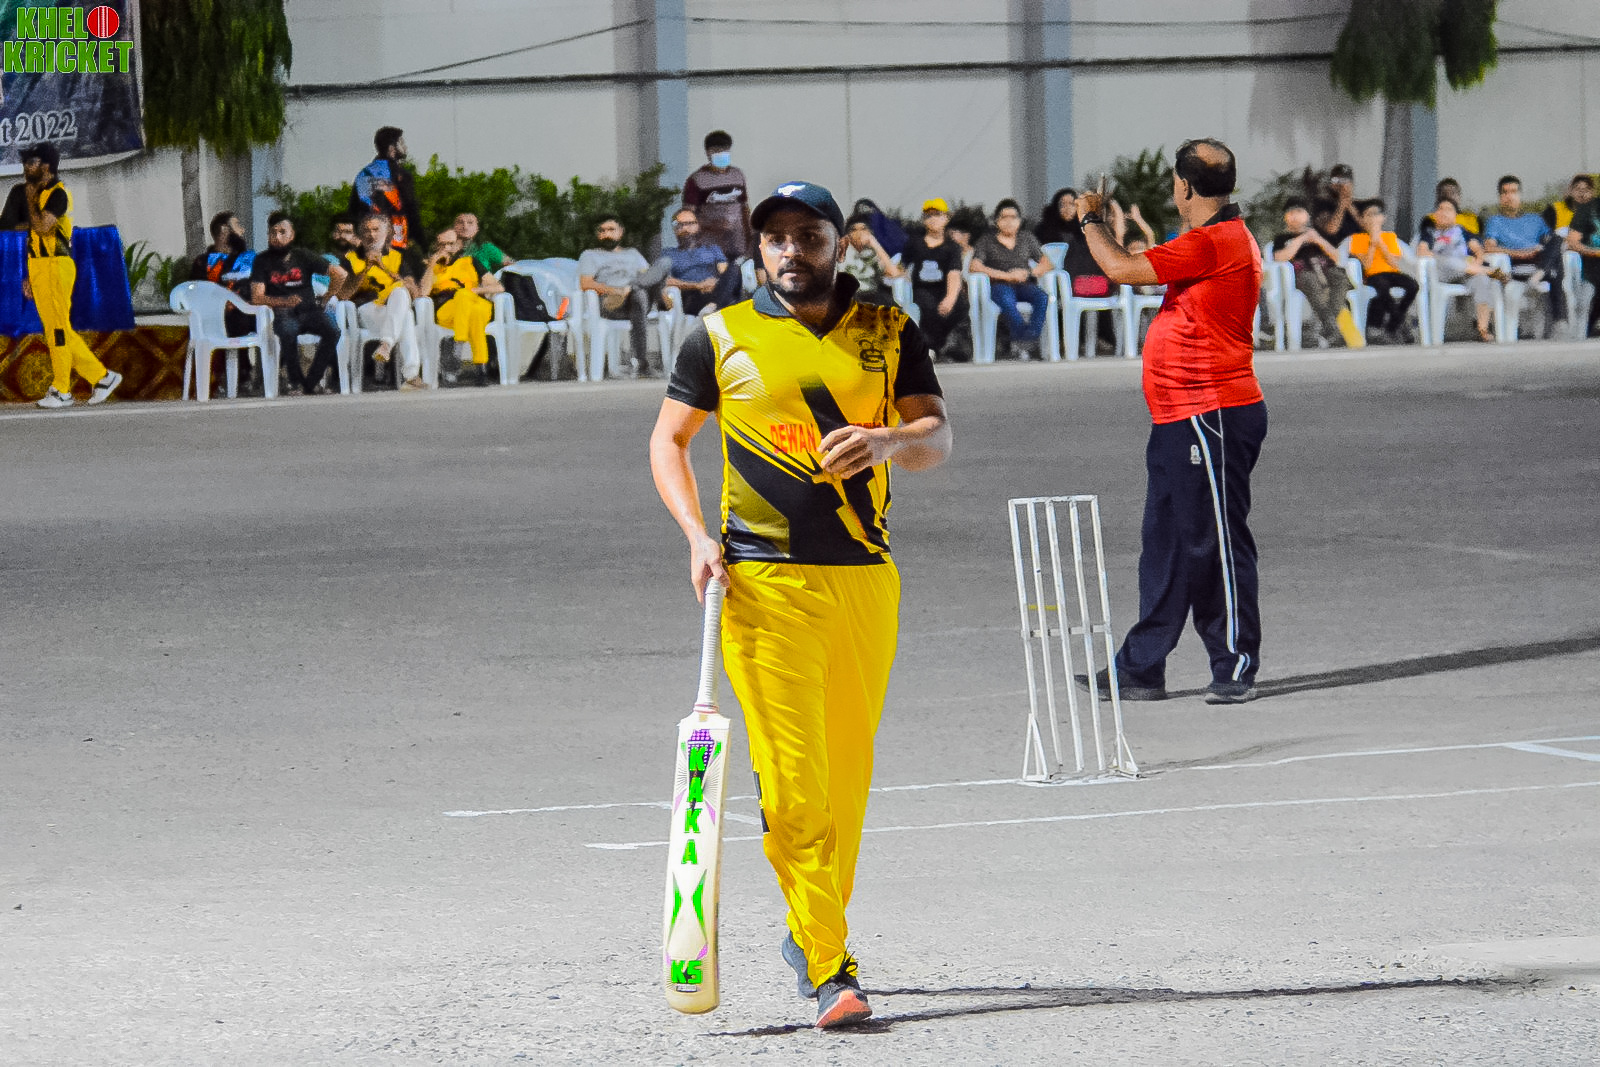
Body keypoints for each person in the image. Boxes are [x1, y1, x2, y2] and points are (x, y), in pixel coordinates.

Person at [649, 179, 950, 1030]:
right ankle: (829, 965)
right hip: (762, 585)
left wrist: (888, 440)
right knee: (793, 786)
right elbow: (669, 439)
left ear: (838, 244)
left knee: (845, 786)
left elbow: (936, 435)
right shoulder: (720, 334)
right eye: (775, 237)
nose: (790, 250)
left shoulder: (889, 330)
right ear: (759, 247)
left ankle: (810, 928)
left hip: (865, 580)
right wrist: (696, 535)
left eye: (807, 235)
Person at [1072, 137, 1266, 705]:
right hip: (1181, 415)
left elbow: (1121, 268)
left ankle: (1234, 663)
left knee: (1215, 543)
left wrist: (1090, 218)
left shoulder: (1215, 241)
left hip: (1212, 413)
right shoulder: (1211, 238)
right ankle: (1141, 666)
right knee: (1167, 545)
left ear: (1184, 186)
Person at [13, 143, 123, 409]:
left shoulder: (58, 194)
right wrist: (28, 274)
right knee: (56, 328)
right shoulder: (38, 194)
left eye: (32, 162)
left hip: (56, 265)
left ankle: (62, 389)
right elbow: (32, 237)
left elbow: (42, 227)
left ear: (46, 166)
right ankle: (102, 377)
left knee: (58, 329)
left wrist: (30, 201)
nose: (26, 167)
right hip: (40, 266)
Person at [250, 212, 348, 397]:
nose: (277, 237)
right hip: (282, 312)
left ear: (292, 235)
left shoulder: (303, 256)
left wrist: (328, 296)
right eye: (273, 232)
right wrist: (283, 301)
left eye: (282, 232)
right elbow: (257, 297)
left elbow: (340, 274)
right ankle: (295, 382)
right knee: (288, 331)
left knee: (333, 331)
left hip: (309, 311)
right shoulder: (262, 260)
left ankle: (311, 382)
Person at [335, 213, 427, 389]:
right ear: (361, 235)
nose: (371, 235)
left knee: (401, 295)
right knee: (406, 316)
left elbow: (414, 293)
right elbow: (343, 295)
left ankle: (386, 346)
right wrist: (365, 269)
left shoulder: (397, 257)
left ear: (387, 233)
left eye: (376, 230)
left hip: (392, 309)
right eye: (367, 231)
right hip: (366, 310)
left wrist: (384, 268)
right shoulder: (350, 259)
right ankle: (411, 375)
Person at [578, 214, 672, 377]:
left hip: (636, 298)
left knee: (664, 263)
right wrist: (614, 290)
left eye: (611, 230)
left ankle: (632, 288)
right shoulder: (590, 255)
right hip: (612, 303)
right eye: (602, 231)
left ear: (620, 232)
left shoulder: (633, 253)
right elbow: (586, 283)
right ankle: (642, 363)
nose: (606, 234)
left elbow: (648, 276)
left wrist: (630, 288)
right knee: (640, 294)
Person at [1270, 197, 1361, 348]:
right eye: (1290, 213)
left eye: (1299, 211)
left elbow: (1338, 258)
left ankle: (1331, 324)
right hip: (1303, 275)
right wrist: (1300, 239)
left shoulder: (1320, 234)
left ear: (1307, 215)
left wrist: (1318, 240)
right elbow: (1279, 257)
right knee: (1310, 279)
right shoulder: (1282, 238)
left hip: (1327, 271)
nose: (1295, 216)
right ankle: (1332, 328)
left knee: (1339, 277)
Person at [1482, 174, 1567, 335]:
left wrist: (1539, 250)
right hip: (1513, 267)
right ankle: (1560, 320)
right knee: (1554, 271)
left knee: (1557, 240)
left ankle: (1540, 273)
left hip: (1537, 262)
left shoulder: (1535, 219)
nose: (1509, 196)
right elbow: (1489, 248)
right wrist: (1519, 253)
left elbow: (1551, 243)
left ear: (1520, 195)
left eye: (1513, 192)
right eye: (1505, 192)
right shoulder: (1495, 221)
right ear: (1500, 197)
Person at [970, 199, 1055, 357]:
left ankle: (1029, 338)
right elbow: (975, 266)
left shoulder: (1027, 238)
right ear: (996, 221)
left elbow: (1047, 263)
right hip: (999, 284)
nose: (1009, 221)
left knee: (1043, 297)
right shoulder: (986, 241)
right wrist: (1007, 276)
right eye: (1004, 217)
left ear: (1020, 220)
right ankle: (1024, 341)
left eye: (1013, 217)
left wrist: (1029, 273)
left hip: (1024, 284)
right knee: (1006, 299)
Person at [189, 210, 258, 395]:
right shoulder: (202, 263)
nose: (242, 231)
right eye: (238, 226)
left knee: (257, 319)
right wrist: (222, 304)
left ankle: (249, 376)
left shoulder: (249, 259)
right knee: (228, 320)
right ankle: (230, 377)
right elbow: (197, 294)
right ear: (224, 230)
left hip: (246, 313)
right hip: (215, 318)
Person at [426, 228, 504, 386]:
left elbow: (498, 287)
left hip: (476, 301)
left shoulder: (471, 262)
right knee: (470, 306)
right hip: (448, 310)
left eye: (451, 244)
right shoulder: (431, 266)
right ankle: (480, 367)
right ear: (435, 246)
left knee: (471, 304)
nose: (446, 248)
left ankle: (460, 348)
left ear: (459, 245)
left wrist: (476, 290)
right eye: (442, 245)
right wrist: (432, 264)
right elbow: (423, 293)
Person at [1422, 196, 1504, 343]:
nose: (1444, 212)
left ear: (1455, 215)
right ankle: (1491, 271)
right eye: (1440, 209)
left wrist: (1477, 261)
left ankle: (1483, 329)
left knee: (1482, 280)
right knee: (1450, 261)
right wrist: (1439, 257)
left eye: (1449, 210)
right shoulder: (1429, 232)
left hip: (1465, 273)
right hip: (1441, 273)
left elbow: (1478, 250)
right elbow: (1422, 251)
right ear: (1435, 214)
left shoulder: (1462, 231)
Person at [899, 198, 969, 358]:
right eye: (928, 215)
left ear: (946, 218)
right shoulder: (915, 243)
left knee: (960, 305)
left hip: (944, 288)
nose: (933, 219)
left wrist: (950, 298)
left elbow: (954, 273)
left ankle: (946, 344)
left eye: (937, 215)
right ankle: (932, 346)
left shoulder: (952, 247)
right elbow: (903, 266)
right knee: (927, 306)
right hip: (922, 288)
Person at [1349, 198, 1419, 344]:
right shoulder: (1358, 239)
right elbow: (1367, 265)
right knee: (1382, 287)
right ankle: (1400, 322)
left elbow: (1394, 263)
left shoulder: (1390, 236)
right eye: (1368, 215)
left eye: (1376, 214)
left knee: (1413, 285)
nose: (1372, 218)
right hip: (1372, 274)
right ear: (1362, 219)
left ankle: (1393, 323)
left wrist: (1380, 243)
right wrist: (1372, 244)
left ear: (1383, 218)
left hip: (1391, 272)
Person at [350, 126, 423, 251]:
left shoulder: (364, 174)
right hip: (398, 242)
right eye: (401, 143)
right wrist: (422, 245)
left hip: (369, 242)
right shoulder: (401, 175)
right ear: (392, 147)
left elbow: (353, 211)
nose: (405, 147)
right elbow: (411, 212)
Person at [683, 130, 751, 260]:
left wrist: (750, 238)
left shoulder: (737, 175)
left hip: (737, 245)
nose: (721, 153)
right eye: (716, 150)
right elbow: (687, 217)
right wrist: (712, 225)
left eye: (725, 150)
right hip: (708, 248)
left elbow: (744, 209)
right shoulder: (697, 180)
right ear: (708, 153)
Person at [660, 206, 733, 317]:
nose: (685, 229)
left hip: (715, 290)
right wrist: (697, 285)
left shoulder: (712, 249)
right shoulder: (668, 254)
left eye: (690, 223)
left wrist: (715, 283)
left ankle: (713, 305)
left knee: (734, 269)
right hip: (690, 296)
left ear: (698, 226)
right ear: (675, 229)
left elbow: (725, 271)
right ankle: (715, 306)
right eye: (680, 225)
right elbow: (665, 280)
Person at [839, 211, 900, 306]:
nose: (859, 233)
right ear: (848, 234)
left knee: (890, 303)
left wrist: (874, 243)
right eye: (854, 230)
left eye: (864, 229)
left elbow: (893, 273)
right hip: (851, 297)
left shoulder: (872, 252)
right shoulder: (843, 252)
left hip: (871, 295)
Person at [1566, 190, 1600, 337]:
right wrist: (1594, 252)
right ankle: (1583, 335)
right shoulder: (1587, 209)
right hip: (1590, 271)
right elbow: (1572, 242)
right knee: (1585, 301)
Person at [1417, 178, 1481, 242]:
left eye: (1453, 193)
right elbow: (1426, 240)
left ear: (1459, 197)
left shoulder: (1470, 219)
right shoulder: (1430, 219)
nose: (1449, 197)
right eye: (1444, 193)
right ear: (1438, 198)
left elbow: (1477, 241)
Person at [1325, 163, 1363, 243]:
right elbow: (1331, 230)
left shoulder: (1361, 206)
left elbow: (1368, 228)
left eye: (1345, 180)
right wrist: (1342, 203)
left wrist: (1349, 205)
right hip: (1333, 247)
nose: (1341, 184)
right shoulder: (1324, 204)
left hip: (1356, 247)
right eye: (1337, 180)